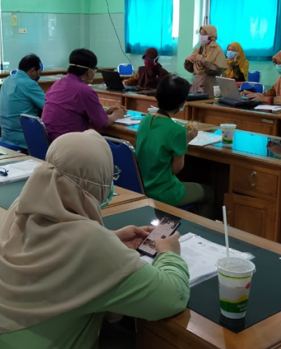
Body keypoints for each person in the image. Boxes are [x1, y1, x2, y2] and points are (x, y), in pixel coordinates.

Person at [0, 131, 190, 349]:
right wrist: (169, 252)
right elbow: (172, 298)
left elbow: (56, 253)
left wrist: (111, 239)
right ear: (93, 185)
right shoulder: (90, 243)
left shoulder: (20, 209)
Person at [136, 74, 216, 219]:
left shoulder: (145, 120)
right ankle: (202, 234)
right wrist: (187, 138)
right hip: (164, 191)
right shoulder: (177, 131)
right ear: (181, 103)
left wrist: (182, 140)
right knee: (209, 193)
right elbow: (176, 168)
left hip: (142, 187)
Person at [42, 49, 125, 142]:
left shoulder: (57, 84)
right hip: (68, 144)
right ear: (89, 72)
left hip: (49, 141)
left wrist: (105, 113)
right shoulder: (85, 91)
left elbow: (72, 113)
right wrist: (116, 115)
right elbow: (102, 123)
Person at [0, 54, 45, 150]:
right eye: (39, 72)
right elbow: (48, 106)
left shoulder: (7, 80)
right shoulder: (29, 83)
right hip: (24, 138)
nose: (39, 75)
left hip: (6, 135)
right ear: (32, 71)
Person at [184, 25, 227, 95]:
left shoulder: (217, 50)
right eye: (200, 34)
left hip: (209, 84)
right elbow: (192, 69)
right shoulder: (198, 49)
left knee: (207, 104)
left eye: (204, 34)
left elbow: (219, 70)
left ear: (211, 35)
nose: (201, 36)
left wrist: (204, 61)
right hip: (197, 83)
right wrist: (188, 61)